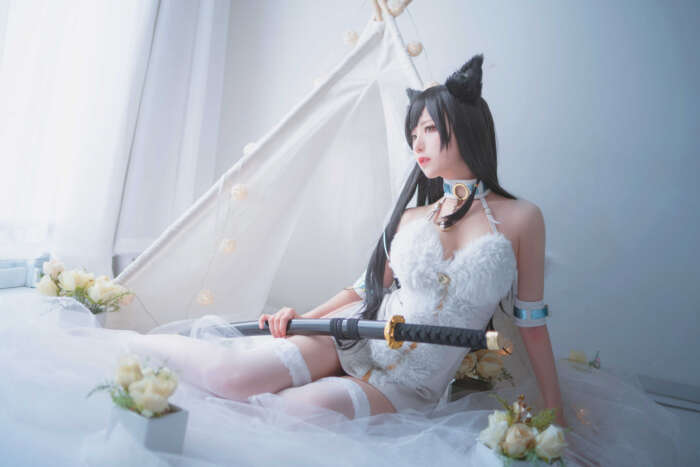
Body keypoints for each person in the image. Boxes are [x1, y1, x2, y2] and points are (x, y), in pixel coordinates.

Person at [0, 55, 681, 466]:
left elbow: (531, 324)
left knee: (293, 419)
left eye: (428, 129)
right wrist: (302, 315)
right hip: (350, 334)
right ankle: (109, 351)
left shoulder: (522, 218)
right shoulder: (412, 215)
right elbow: (365, 286)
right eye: (413, 132)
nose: (417, 143)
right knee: (230, 375)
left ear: (465, 129)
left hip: (409, 383)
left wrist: (554, 415)